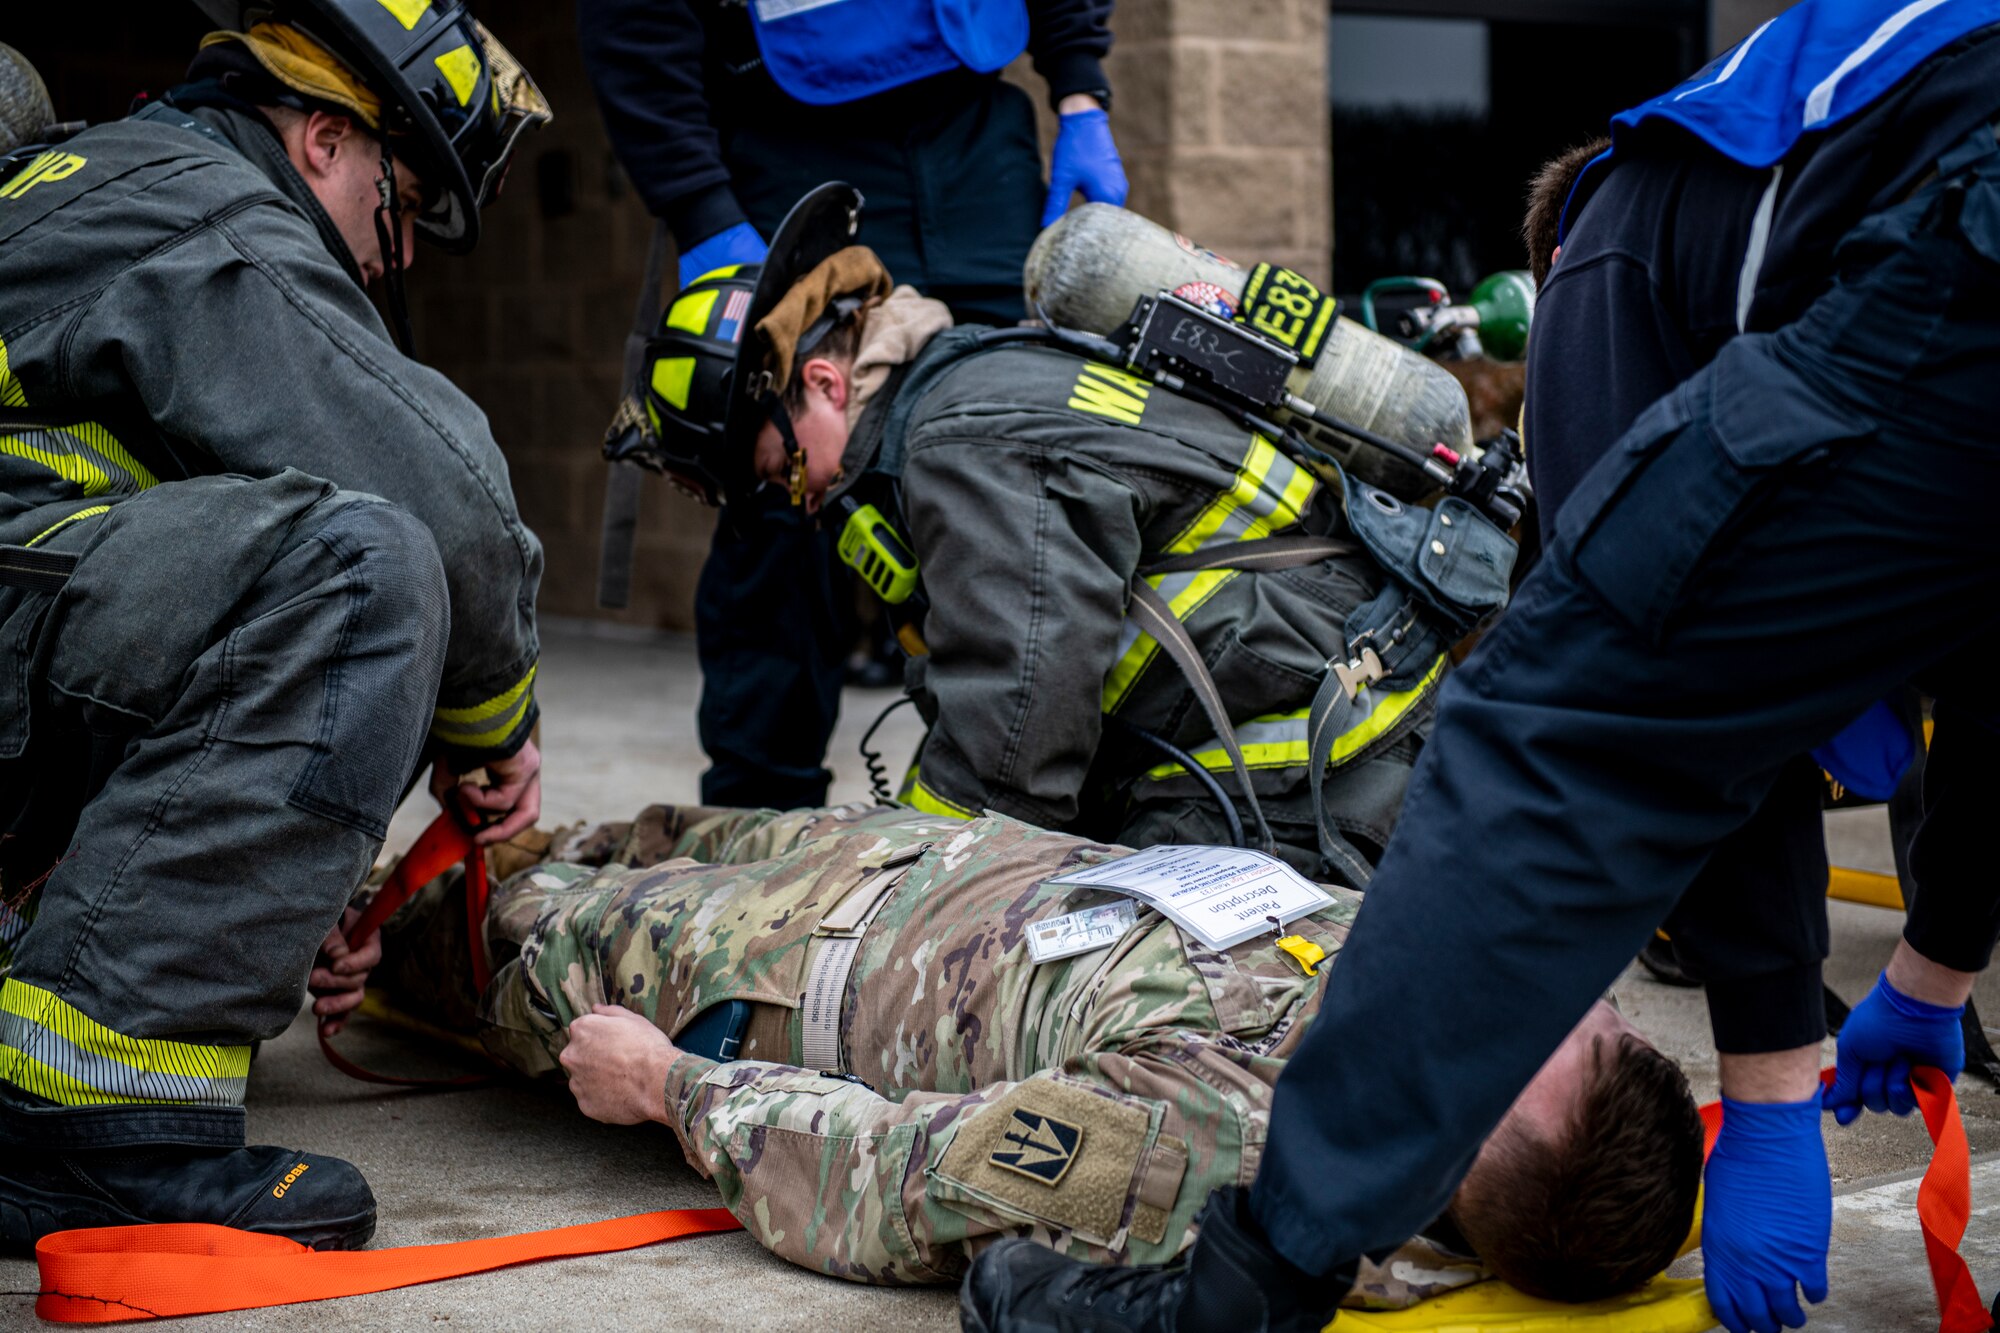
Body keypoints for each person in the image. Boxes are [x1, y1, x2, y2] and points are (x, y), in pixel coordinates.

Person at [956, 3, 2000, 1331]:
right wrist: (1933, 970)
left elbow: (1663, 715)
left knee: (1544, 731)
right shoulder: (1806, 158)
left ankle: (1239, 1296)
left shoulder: (1608, 251)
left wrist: (1777, 1086)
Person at [0, 0, 550, 1250]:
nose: (388, 259)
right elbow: (441, 496)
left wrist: (260, 903)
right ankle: (91, 1133)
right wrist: (493, 724)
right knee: (359, 565)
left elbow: (159, 615)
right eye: (395, 206)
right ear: (321, 141)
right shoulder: (201, 211)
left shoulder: (87, 198)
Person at [367, 798, 1703, 1300]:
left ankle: (355, 951)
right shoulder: (1423, 1015)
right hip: (918, 859)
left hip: (780, 968)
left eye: (1531, 1049)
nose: (1516, 1003)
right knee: (619, 829)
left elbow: (897, 1184)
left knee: (463, 934)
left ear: (1461, 1154)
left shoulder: (1219, 1152)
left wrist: (674, 1089)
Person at [637, 186, 1514, 883]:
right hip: (1321, 712)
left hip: (1303, 769)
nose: (789, 499)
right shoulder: (975, 380)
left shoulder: (964, 434)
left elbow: (1012, 741)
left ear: (826, 383)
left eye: (771, 469)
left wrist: (889, 881)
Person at [577, 0, 1127, 814]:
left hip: (974, 124)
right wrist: (700, 207)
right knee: (781, 485)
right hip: (789, 131)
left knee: (1028, 453)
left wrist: (1079, 83)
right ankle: (760, 820)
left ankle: (1067, 796)